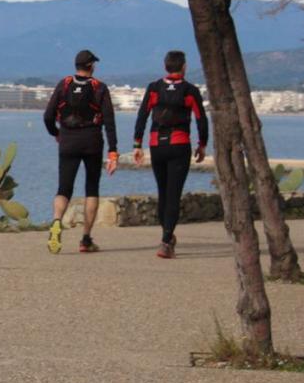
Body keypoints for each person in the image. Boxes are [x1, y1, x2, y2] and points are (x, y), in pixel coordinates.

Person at [132, 50, 209, 259]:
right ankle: (166, 241)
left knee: (163, 192)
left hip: (157, 145)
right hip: (179, 145)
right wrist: (202, 145)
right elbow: (201, 119)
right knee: (173, 194)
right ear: (183, 67)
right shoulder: (190, 90)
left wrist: (137, 144)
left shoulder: (154, 88)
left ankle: (167, 236)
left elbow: (142, 115)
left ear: (165, 66)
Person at [43, 50, 118, 254]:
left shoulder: (64, 84)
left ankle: (57, 220)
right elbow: (109, 122)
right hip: (92, 141)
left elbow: (48, 115)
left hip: (67, 140)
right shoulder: (100, 88)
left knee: (64, 188)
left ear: (76, 66)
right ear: (91, 66)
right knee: (91, 188)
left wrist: (56, 133)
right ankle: (85, 239)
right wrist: (113, 151)